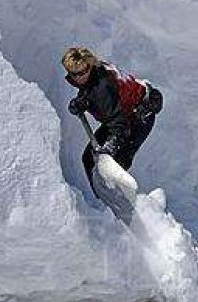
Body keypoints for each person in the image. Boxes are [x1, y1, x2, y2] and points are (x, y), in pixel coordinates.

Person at [61, 47, 162, 197]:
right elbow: (98, 95)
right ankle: (102, 202)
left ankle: (124, 204)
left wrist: (110, 147)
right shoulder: (95, 72)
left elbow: (118, 123)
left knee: (118, 160)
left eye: (82, 72)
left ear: (89, 65)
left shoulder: (101, 88)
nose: (78, 77)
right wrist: (83, 101)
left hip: (140, 116)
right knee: (89, 158)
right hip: (124, 114)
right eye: (74, 74)